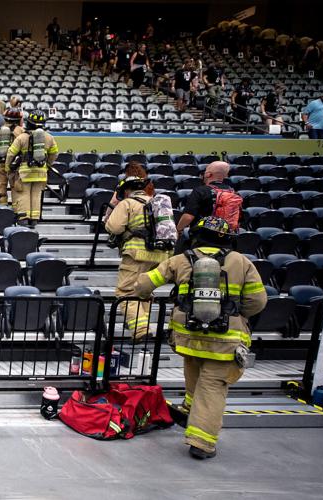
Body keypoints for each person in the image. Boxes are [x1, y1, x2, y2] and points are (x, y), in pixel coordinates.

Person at [134, 217, 266, 460]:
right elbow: (257, 302)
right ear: (226, 239)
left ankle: (191, 416)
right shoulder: (241, 262)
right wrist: (236, 313)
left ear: (194, 236)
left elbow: (143, 285)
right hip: (224, 341)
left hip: (187, 338)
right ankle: (202, 442)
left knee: (195, 378)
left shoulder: (180, 260)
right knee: (212, 387)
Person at [104, 164, 172, 340]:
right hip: (160, 255)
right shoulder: (156, 202)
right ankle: (144, 326)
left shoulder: (128, 203)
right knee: (144, 291)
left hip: (137, 254)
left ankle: (141, 331)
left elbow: (114, 227)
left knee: (125, 293)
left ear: (127, 190)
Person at [5, 110, 58, 226]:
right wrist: (47, 164)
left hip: (25, 173)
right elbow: (54, 153)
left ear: (29, 123)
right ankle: (34, 218)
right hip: (41, 172)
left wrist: (8, 167)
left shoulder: (22, 138)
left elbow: (10, 153)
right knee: (36, 194)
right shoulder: (49, 138)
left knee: (23, 194)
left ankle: (24, 219)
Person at [176, 161, 234, 233]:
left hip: (203, 237)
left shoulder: (200, 191)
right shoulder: (234, 193)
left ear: (208, 174)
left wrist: (178, 230)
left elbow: (188, 217)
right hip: (227, 237)